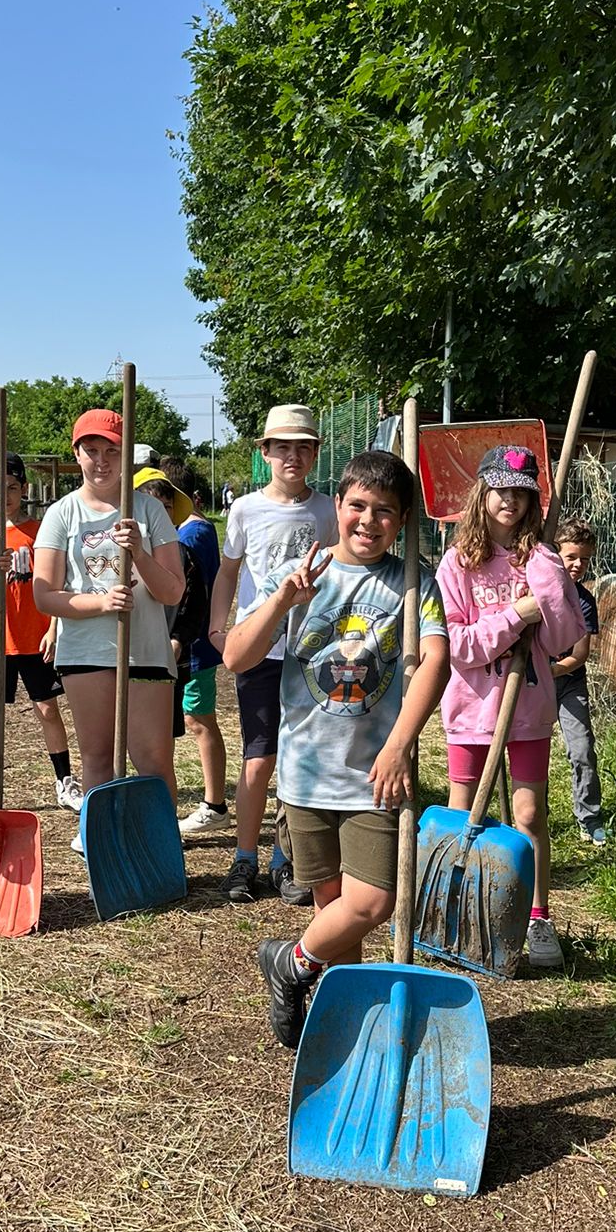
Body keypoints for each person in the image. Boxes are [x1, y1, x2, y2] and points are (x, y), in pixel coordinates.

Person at [224, 448, 449, 1046]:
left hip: (374, 773)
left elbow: (436, 662)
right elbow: (237, 656)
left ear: (402, 521)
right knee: (333, 907)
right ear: (338, 506)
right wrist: (281, 601)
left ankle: (290, 962)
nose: (369, 521)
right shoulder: (305, 572)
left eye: (385, 511)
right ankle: (346, 1021)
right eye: (358, 506)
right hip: (306, 771)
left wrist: (400, 744)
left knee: (373, 901)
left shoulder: (413, 582)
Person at [437, 446, 585, 971]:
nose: (511, 501)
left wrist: (549, 580)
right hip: (471, 708)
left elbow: (563, 640)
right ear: (483, 493)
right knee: (462, 813)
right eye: (501, 490)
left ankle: (536, 916)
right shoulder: (457, 563)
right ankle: (454, 908)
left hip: (528, 706)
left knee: (529, 814)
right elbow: (460, 647)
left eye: (521, 492)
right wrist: (517, 613)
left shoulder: (539, 560)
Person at [31, 405, 185, 849]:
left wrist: (139, 552)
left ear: (126, 455)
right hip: (85, 651)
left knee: (153, 761)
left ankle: (159, 850)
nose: (101, 461)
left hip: (144, 650)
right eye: (91, 450)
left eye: (111, 451)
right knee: (97, 758)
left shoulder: (149, 510)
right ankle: (103, 851)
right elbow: (45, 595)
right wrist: (101, 602)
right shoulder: (62, 514)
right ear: (77, 454)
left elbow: (173, 591)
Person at [210, 405, 338, 904]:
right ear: (264, 453)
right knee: (259, 758)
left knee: (299, 758)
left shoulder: (329, 510)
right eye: (282, 446)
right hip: (260, 649)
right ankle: (244, 857)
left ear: (315, 454)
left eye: (303, 447)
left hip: (312, 653)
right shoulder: (245, 509)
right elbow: (228, 571)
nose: (293, 456)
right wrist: (219, 629)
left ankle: (287, 859)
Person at [0, 449, 81, 816]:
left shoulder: (40, 532)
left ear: (24, 488)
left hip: (34, 638)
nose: (5, 494)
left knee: (47, 708)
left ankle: (65, 781)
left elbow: (57, 583)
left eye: (12, 487)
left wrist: (54, 629)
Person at [156, 459, 229, 835]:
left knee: (199, 720)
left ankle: (215, 804)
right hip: (189, 643)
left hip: (194, 643)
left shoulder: (191, 535)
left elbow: (187, 593)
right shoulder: (195, 530)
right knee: (193, 719)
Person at [552, 516, 607, 846]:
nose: (578, 564)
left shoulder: (584, 602)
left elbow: (579, 654)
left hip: (569, 682)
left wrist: (551, 671)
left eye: (584, 559)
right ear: (554, 553)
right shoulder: (536, 590)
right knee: (530, 750)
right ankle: (532, 813)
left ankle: (589, 816)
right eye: (571, 556)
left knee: (582, 749)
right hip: (533, 684)